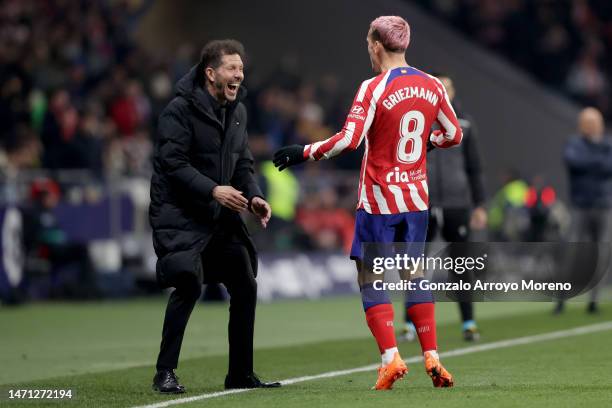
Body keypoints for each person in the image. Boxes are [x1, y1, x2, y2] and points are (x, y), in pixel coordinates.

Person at [274, 16, 462, 390]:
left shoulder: (373, 87)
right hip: (416, 199)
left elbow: (349, 139)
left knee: (370, 277)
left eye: (368, 44)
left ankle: (390, 359)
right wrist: (426, 144)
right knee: (415, 274)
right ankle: (432, 357)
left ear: (376, 44)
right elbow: (453, 134)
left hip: (378, 201)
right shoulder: (432, 85)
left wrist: (303, 152)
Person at [149, 39, 279, 394]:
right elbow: (172, 164)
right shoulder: (178, 111)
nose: (239, 74)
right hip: (180, 215)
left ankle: (240, 373)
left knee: (245, 283)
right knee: (189, 282)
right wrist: (213, 189)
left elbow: (244, 164)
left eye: (241, 68)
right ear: (211, 73)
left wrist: (254, 196)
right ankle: (165, 371)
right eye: (232, 69)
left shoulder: (238, 112)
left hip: (218, 218)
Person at [402, 73, 486, 342]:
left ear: (453, 91)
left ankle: (468, 322)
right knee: (415, 264)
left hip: (456, 203)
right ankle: (410, 324)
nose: (443, 91)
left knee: (460, 265)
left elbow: (474, 167)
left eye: (447, 87)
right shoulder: (416, 121)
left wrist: (480, 204)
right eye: (438, 86)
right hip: (421, 203)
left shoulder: (465, 124)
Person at [555, 107, 612, 314]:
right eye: (586, 122)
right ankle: (561, 299)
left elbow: (609, 166)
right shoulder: (573, 143)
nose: (590, 126)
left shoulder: (607, 143)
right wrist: (597, 162)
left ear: (600, 124)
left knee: (602, 254)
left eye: (593, 122)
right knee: (570, 250)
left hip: (604, 205)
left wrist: (591, 162)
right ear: (581, 124)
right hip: (580, 205)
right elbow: (574, 163)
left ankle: (594, 301)